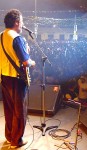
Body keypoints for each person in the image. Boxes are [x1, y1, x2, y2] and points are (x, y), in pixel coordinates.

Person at [0, 9, 35, 149]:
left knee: (8, 109)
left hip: (3, 77)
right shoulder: (16, 37)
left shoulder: (1, 35)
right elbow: (26, 62)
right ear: (16, 22)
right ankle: (17, 141)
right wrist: (33, 62)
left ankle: (9, 137)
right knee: (20, 110)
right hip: (16, 78)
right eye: (21, 21)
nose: (22, 24)